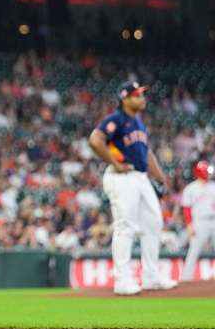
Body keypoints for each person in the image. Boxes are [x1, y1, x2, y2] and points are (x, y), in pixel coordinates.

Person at [88, 81, 178, 295]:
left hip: (140, 176)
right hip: (122, 177)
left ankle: (151, 277)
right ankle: (122, 280)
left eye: (141, 95)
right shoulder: (116, 119)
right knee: (125, 226)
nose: (141, 99)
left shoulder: (139, 123)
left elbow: (146, 153)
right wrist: (115, 162)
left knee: (154, 223)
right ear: (125, 98)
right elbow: (95, 139)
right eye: (136, 95)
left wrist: (160, 176)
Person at [181, 161, 215, 281]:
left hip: (213, 220)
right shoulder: (191, 189)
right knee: (194, 251)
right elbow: (186, 208)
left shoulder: (213, 186)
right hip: (199, 222)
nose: (208, 173)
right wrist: (189, 224)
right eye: (206, 171)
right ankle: (185, 279)